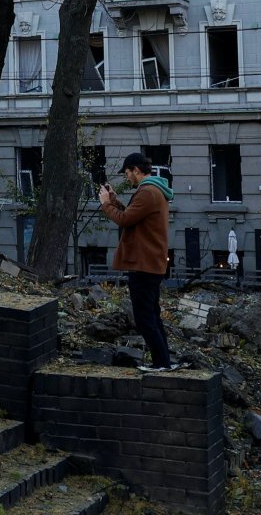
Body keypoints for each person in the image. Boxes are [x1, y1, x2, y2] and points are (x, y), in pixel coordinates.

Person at [98, 152, 175, 372]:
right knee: (152, 315)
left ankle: (161, 363)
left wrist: (106, 204)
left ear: (136, 170)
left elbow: (125, 220)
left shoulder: (147, 192)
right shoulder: (154, 190)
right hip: (151, 262)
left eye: (127, 173)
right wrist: (115, 201)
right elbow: (134, 215)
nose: (127, 177)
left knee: (144, 317)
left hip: (144, 263)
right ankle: (164, 362)